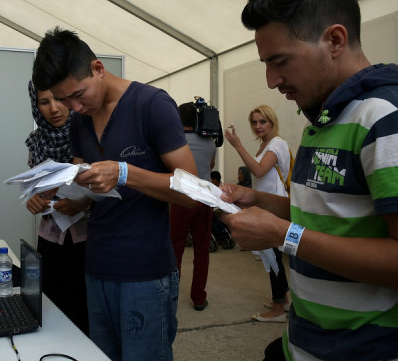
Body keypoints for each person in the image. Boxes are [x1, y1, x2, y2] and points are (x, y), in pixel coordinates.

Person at [221, 0, 398, 360]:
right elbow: (329, 217)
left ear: (335, 39)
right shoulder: (323, 117)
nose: (271, 80)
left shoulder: (384, 117)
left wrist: (284, 234)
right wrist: (258, 201)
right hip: (305, 342)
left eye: (279, 60)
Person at [32, 27, 197, 361]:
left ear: (97, 68)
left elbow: (192, 190)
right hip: (96, 267)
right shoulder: (80, 121)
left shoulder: (151, 104)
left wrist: (125, 172)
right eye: (64, 100)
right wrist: (68, 198)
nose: (74, 107)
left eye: (78, 95)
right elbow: (85, 184)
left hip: (144, 272)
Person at [23, 80, 89, 335]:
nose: (54, 108)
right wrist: (34, 201)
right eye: (44, 102)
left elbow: (109, 189)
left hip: (88, 242)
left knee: (84, 315)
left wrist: (84, 203)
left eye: (59, 99)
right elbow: (34, 192)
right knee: (52, 313)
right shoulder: (36, 143)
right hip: (51, 241)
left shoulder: (88, 136)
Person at [225, 106, 290, 323]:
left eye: (262, 121)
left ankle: (279, 307)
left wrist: (237, 145)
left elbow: (259, 170)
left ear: (272, 122)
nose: (258, 126)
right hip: (265, 205)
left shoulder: (277, 144)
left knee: (273, 257)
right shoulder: (264, 145)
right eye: (254, 122)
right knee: (271, 255)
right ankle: (283, 300)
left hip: (274, 207)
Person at [169, 102, 216, 311]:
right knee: (202, 251)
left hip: (182, 199)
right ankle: (199, 298)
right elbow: (211, 166)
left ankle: (171, 296)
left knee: (175, 249)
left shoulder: (176, 142)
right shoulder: (210, 142)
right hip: (206, 199)